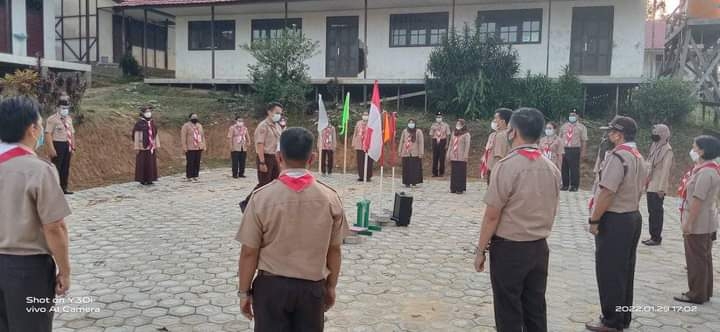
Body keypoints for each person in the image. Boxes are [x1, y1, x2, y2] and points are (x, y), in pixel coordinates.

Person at [235, 127, 349, 332]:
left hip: (271, 290)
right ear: (312, 158)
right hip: (312, 290)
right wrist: (331, 287)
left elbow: (249, 251)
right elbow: (334, 250)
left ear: (279, 156)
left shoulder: (261, 198)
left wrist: (244, 293)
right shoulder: (330, 198)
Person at [474, 107, 561, 332]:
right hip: (539, 248)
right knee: (535, 308)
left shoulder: (506, 166)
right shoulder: (551, 168)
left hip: (510, 250)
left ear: (512, 132)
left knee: (508, 309)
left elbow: (492, 215)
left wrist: (480, 250)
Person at [0, 96, 72, 332]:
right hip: (27, 271)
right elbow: (55, 227)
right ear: (32, 129)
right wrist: (65, 270)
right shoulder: (39, 170)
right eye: (40, 125)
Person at [586, 116, 647, 332]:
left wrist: (594, 219)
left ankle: (611, 321)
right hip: (632, 216)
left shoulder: (618, 156)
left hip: (615, 219)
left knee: (610, 272)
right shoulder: (638, 156)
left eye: (611, 132)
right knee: (624, 271)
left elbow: (607, 192)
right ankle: (622, 317)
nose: (608, 135)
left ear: (618, 135)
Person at [674, 135, 720, 305]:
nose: (692, 150)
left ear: (702, 150)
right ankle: (704, 291)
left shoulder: (706, 172)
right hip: (705, 220)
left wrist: (689, 223)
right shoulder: (708, 168)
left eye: (694, 147)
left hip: (699, 221)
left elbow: (697, 200)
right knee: (703, 257)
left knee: (696, 259)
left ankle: (696, 294)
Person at [239, 102, 283, 212]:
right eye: (277, 113)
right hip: (265, 157)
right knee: (264, 183)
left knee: (275, 182)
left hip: (274, 156)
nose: (279, 115)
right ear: (269, 112)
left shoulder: (277, 126)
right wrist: (262, 162)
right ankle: (246, 203)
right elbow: (260, 144)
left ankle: (270, 205)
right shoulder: (263, 126)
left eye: (280, 113)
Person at [642, 124, 674, 246]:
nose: (654, 134)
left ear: (663, 134)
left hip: (658, 185)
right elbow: (649, 163)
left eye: (657, 132)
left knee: (656, 212)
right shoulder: (654, 146)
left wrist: (661, 188)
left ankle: (656, 237)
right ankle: (652, 235)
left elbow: (665, 171)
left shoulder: (668, 150)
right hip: (651, 182)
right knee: (651, 211)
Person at [45, 95, 76, 194]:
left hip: (67, 144)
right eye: (63, 108)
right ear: (58, 108)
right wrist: (51, 148)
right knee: (56, 167)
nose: (65, 110)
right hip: (57, 144)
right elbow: (48, 134)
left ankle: (64, 187)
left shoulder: (69, 119)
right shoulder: (52, 119)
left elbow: (72, 133)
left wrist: (73, 147)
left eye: (66, 108)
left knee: (65, 167)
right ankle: (55, 189)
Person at [479, 108, 513, 185]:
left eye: (496, 118)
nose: (494, 121)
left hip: (497, 170)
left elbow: (499, 156)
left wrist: (495, 173)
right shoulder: (507, 134)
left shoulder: (501, 136)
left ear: (502, 121)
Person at [560, 110, 588, 191]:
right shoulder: (564, 126)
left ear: (577, 116)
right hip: (564, 149)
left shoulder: (582, 127)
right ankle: (565, 185)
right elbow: (560, 138)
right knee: (564, 168)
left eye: (574, 115)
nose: (571, 117)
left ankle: (574, 186)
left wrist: (583, 152)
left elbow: (584, 140)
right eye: (570, 115)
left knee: (574, 168)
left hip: (574, 149)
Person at [133, 106, 160, 185]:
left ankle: (150, 179)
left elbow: (155, 134)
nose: (148, 113)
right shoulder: (139, 124)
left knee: (151, 163)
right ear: (142, 113)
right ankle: (142, 179)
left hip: (151, 147)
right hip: (142, 147)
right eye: (146, 112)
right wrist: (137, 147)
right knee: (142, 163)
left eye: (149, 111)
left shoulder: (152, 123)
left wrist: (156, 145)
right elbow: (136, 136)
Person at [180, 113, 207, 181]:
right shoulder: (186, 126)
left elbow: (202, 136)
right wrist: (184, 147)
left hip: (198, 146)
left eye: (196, 117)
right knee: (190, 162)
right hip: (190, 147)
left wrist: (204, 145)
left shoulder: (199, 125)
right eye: (193, 117)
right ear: (190, 118)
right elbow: (183, 137)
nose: (195, 118)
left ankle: (195, 175)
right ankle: (189, 176)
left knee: (197, 161)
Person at [447, 119, 471, 194]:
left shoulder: (466, 134)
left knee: (460, 172)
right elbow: (451, 144)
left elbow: (467, 146)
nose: (458, 125)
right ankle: (453, 187)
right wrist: (448, 153)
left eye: (460, 124)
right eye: (457, 123)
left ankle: (460, 188)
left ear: (463, 125)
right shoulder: (454, 133)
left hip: (461, 156)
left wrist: (465, 155)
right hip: (453, 155)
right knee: (454, 172)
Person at [399, 119, 424, 187]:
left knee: (414, 168)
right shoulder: (405, 131)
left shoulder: (418, 131)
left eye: (412, 123)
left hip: (415, 153)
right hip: (405, 152)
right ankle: (406, 182)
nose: (411, 124)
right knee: (406, 168)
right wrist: (400, 150)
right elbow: (402, 141)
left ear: (415, 124)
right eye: (409, 122)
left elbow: (421, 143)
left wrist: (421, 153)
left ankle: (414, 182)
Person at [352, 111, 373, 182]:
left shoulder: (371, 123)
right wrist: (354, 143)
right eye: (364, 115)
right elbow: (355, 133)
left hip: (368, 145)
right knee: (360, 161)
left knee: (369, 161)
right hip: (359, 145)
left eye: (366, 115)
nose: (365, 116)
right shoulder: (358, 123)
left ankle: (368, 176)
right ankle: (361, 176)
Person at [430, 112, 451, 177]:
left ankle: (441, 173)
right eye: (437, 117)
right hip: (435, 141)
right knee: (435, 158)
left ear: (442, 118)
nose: (438, 118)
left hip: (442, 141)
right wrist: (432, 144)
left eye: (439, 117)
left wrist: (447, 144)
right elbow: (431, 134)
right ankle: (434, 173)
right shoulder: (433, 125)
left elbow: (448, 135)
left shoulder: (446, 125)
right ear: (436, 118)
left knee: (442, 158)